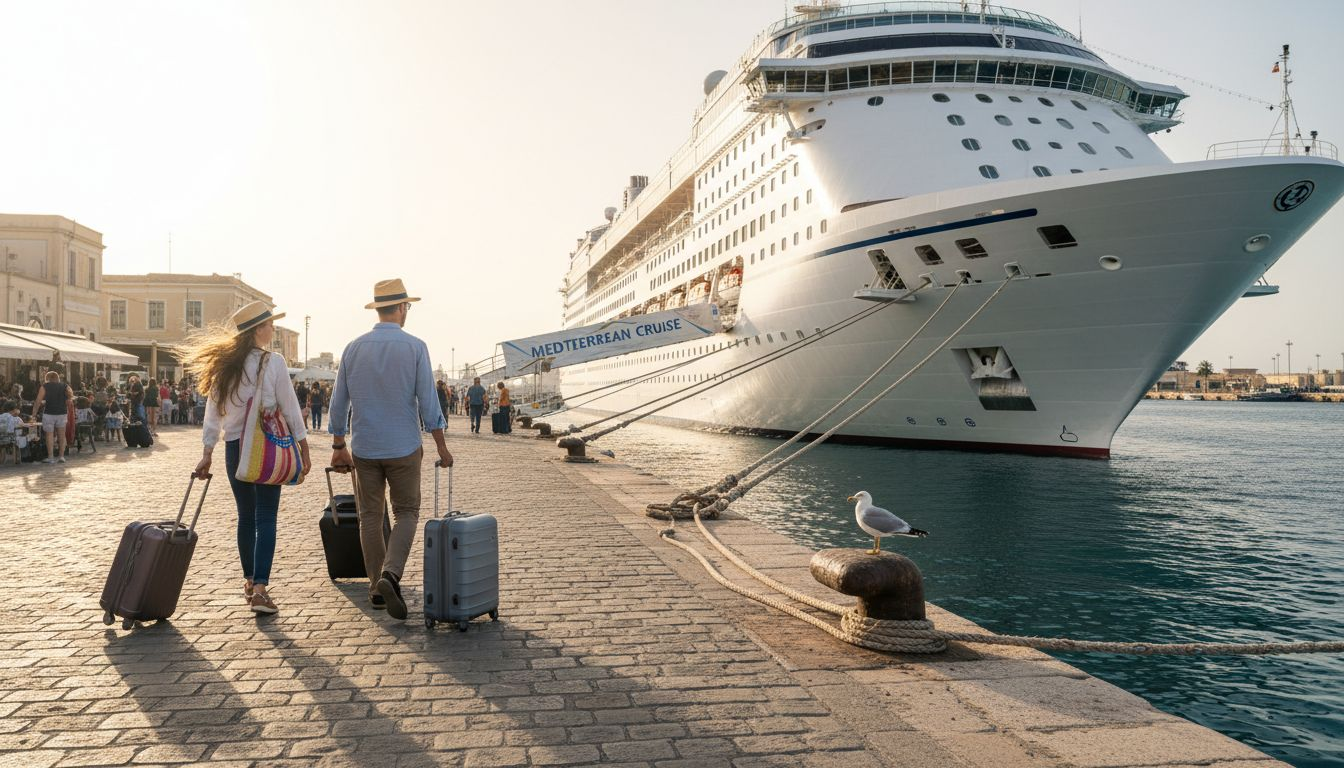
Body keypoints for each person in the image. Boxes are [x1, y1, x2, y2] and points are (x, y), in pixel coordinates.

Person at [329, 278, 452, 620]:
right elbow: (429, 402)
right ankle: (390, 575)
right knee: (408, 513)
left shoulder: (353, 348)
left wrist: (339, 444)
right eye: (407, 307)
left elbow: (339, 403)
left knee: (369, 517)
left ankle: (376, 590)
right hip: (403, 446)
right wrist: (442, 447)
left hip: (365, 447)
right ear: (400, 308)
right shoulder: (415, 347)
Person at [186, 300, 311, 615]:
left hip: (234, 447)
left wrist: (206, 452)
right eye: (270, 324)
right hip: (266, 447)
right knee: (266, 517)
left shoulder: (224, 365)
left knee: (245, 515)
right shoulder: (274, 362)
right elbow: (290, 408)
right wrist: (303, 447)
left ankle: (248, 581)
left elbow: (212, 413)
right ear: (258, 329)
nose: (273, 329)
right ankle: (260, 590)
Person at [31, 371, 73, 464]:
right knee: (61, 435)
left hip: (49, 413)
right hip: (62, 413)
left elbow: (38, 400)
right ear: (57, 378)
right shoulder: (65, 386)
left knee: (49, 435)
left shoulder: (44, 387)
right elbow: (69, 401)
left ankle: (50, 457)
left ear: (48, 378)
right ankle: (61, 456)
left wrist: (34, 414)